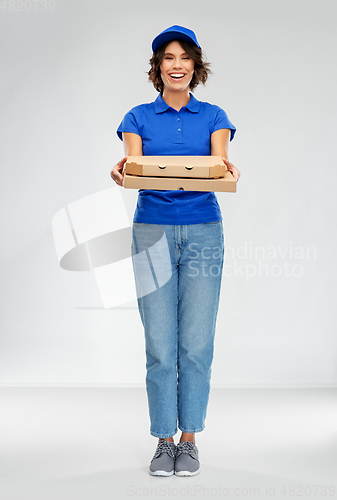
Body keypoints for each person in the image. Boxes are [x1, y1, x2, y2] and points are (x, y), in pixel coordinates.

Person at [110, 25, 240, 477]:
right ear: (158, 67)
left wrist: (227, 170)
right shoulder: (138, 117)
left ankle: (190, 440)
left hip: (204, 230)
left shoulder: (215, 115)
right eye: (168, 57)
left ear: (195, 65)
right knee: (161, 344)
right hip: (153, 231)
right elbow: (136, 168)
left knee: (197, 342)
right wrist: (122, 171)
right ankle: (164, 440)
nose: (177, 64)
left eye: (184, 57)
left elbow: (218, 169)